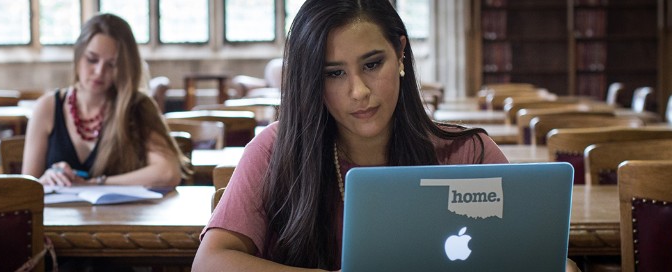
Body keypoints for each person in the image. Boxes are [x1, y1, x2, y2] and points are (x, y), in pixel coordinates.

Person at [193, 0, 510, 271]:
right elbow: (209, 262)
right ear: (312, 79)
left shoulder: (469, 154)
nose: (358, 91)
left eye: (372, 64)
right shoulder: (276, 149)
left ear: (400, 53)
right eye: (334, 73)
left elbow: (537, 255)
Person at [21, 14, 189, 187]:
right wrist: (46, 179)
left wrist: (96, 183)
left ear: (124, 67)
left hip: (125, 215)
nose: (99, 72)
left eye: (112, 64)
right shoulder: (47, 107)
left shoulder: (137, 106)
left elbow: (168, 173)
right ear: (78, 55)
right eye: (92, 60)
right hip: (57, 214)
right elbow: (26, 188)